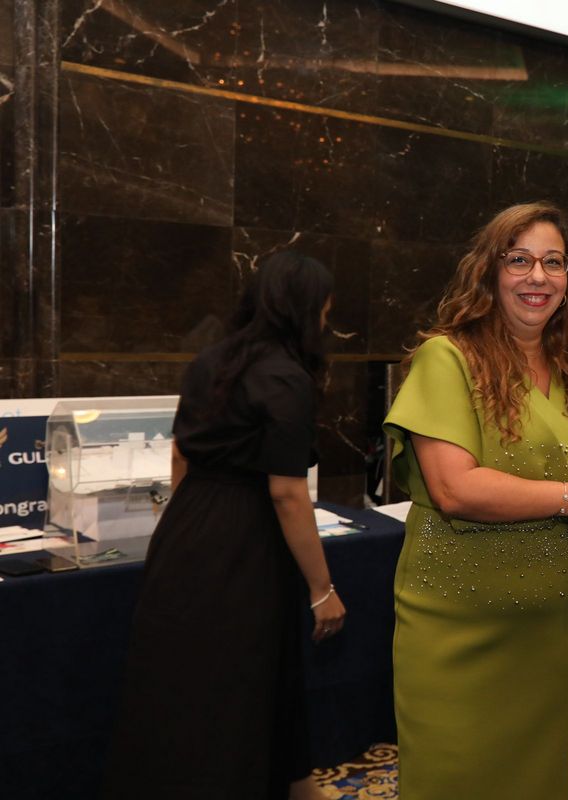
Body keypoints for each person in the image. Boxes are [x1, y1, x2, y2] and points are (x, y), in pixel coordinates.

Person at [383, 202, 568, 799]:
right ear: (489, 270)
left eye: (553, 262)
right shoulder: (447, 358)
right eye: (519, 260)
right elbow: (454, 488)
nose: (537, 276)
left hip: (552, 630)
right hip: (459, 629)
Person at [103, 251, 346, 800]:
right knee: (236, 680)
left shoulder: (211, 359)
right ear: (304, 310)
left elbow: (180, 455)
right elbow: (287, 493)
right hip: (245, 538)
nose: (327, 322)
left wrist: (183, 528)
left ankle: (293, 782)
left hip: (187, 525)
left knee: (182, 676)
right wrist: (322, 589)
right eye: (325, 311)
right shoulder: (286, 377)